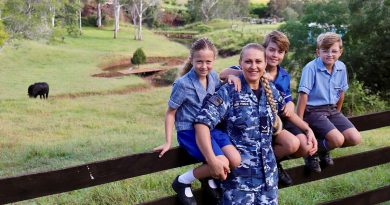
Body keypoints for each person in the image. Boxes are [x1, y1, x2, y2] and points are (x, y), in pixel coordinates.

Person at [194, 43, 315, 204]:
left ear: (265, 63)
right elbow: (201, 123)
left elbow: (288, 113)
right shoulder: (229, 91)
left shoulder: (270, 90)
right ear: (240, 63)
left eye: (258, 61)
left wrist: (307, 130)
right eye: (248, 62)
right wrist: (212, 160)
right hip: (239, 184)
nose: (253, 66)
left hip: (268, 181)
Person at [219, 31, 317, 185]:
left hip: (275, 121)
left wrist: (306, 127)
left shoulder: (283, 75)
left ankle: (272, 163)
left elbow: (286, 101)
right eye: (271, 50)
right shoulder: (251, 64)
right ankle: (260, 166)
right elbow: (223, 73)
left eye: (280, 52)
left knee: (298, 144)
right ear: (264, 49)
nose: (275, 55)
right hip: (248, 124)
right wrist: (246, 74)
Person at [153, 37, 241, 205]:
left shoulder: (214, 77)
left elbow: (220, 91)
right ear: (191, 60)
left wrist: (233, 77)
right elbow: (170, 113)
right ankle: (182, 181)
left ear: (214, 60)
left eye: (208, 61)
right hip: (190, 131)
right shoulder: (183, 84)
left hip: (212, 129)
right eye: (199, 61)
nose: (204, 66)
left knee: (235, 160)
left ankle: (208, 178)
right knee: (222, 163)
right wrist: (167, 141)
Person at [296, 32, 361, 173]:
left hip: (331, 109)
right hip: (312, 110)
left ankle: (322, 147)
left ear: (340, 52)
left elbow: (341, 92)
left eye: (334, 51)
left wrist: (337, 112)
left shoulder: (341, 67)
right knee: (337, 139)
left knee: (354, 138)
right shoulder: (311, 68)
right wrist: (300, 122)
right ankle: (311, 152)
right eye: (325, 51)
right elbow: (303, 95)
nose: (329, 54)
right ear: (318, 52)